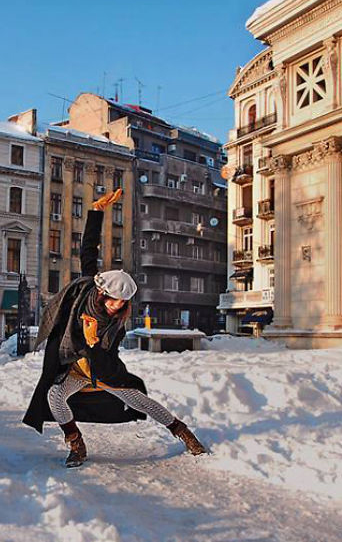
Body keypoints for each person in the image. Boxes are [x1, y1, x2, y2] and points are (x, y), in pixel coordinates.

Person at [23, 189, 207, 467]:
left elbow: (106, 361)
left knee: (137, 400)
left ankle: (182, 431)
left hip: (100, 368)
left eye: (122, 303)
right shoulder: (82, 293)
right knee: (54, 396)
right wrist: (96, 211)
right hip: (74, 368)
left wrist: (94, 343)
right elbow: (88, 250)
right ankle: (76, 444)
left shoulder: (115, 325)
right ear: (102, 294)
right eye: (113, 300)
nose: (116, 306)